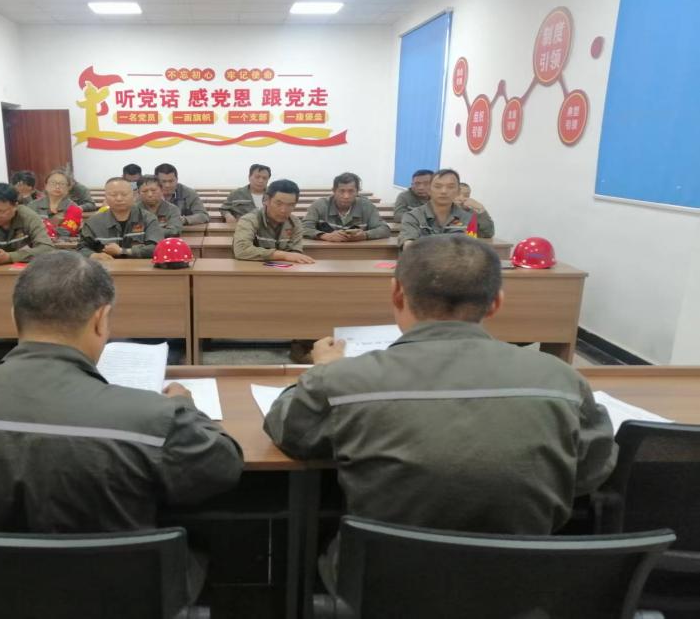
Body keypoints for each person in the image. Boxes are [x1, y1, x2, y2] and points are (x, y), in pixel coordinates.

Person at [263, 234, 617, 591]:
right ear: (496, 302)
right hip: (522, 585)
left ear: (396, 294)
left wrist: (321, 370)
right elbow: (591, 470)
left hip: (385, 584)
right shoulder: (561, 379)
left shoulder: (343, 379)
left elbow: (290, 431)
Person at [0, 251, 243, 599]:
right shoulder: (154, 417)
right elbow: (223, 467)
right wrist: (183, 405)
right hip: (115, 597)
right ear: (101, 319)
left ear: (14, 316)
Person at [399, 169, 494, 248]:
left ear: (458, 191)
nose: (444, 191)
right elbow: (409, 246)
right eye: (438, 186)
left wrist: (481, 209)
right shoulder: (413, 216)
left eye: (450, 187)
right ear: (429, 190)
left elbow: (487, 234)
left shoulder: (468, 218)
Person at [232, 179, 315, 264]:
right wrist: (283, 255)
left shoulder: (295, 223)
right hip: (251, 269)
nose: (283, 210)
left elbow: (295, 253)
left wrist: (291, 255)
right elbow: (241, 250)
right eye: (278, 204)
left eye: (290, 205)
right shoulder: (249, 220)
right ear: (266, 200)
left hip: (283, 270)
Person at [79, 177, 163, 260]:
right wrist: (94, 255)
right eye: (113, 195)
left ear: (134, 196)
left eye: (124, 194)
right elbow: (81, 249)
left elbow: (157, 248)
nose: (119, 198)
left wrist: (122, 251)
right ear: (106, 197)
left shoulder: (148, 219)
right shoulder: (93, 222)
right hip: (106, 267)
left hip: (141, 268)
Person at [303, 172, 391, 241]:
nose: (346, 196)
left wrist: (365, 235)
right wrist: (325, 236)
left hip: (358, 252)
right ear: (334, 191)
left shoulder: (367, 206)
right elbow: (304, 228)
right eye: (341, 191)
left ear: (357, 192)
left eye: (351, 191)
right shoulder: (319, 205)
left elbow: (384, 229)